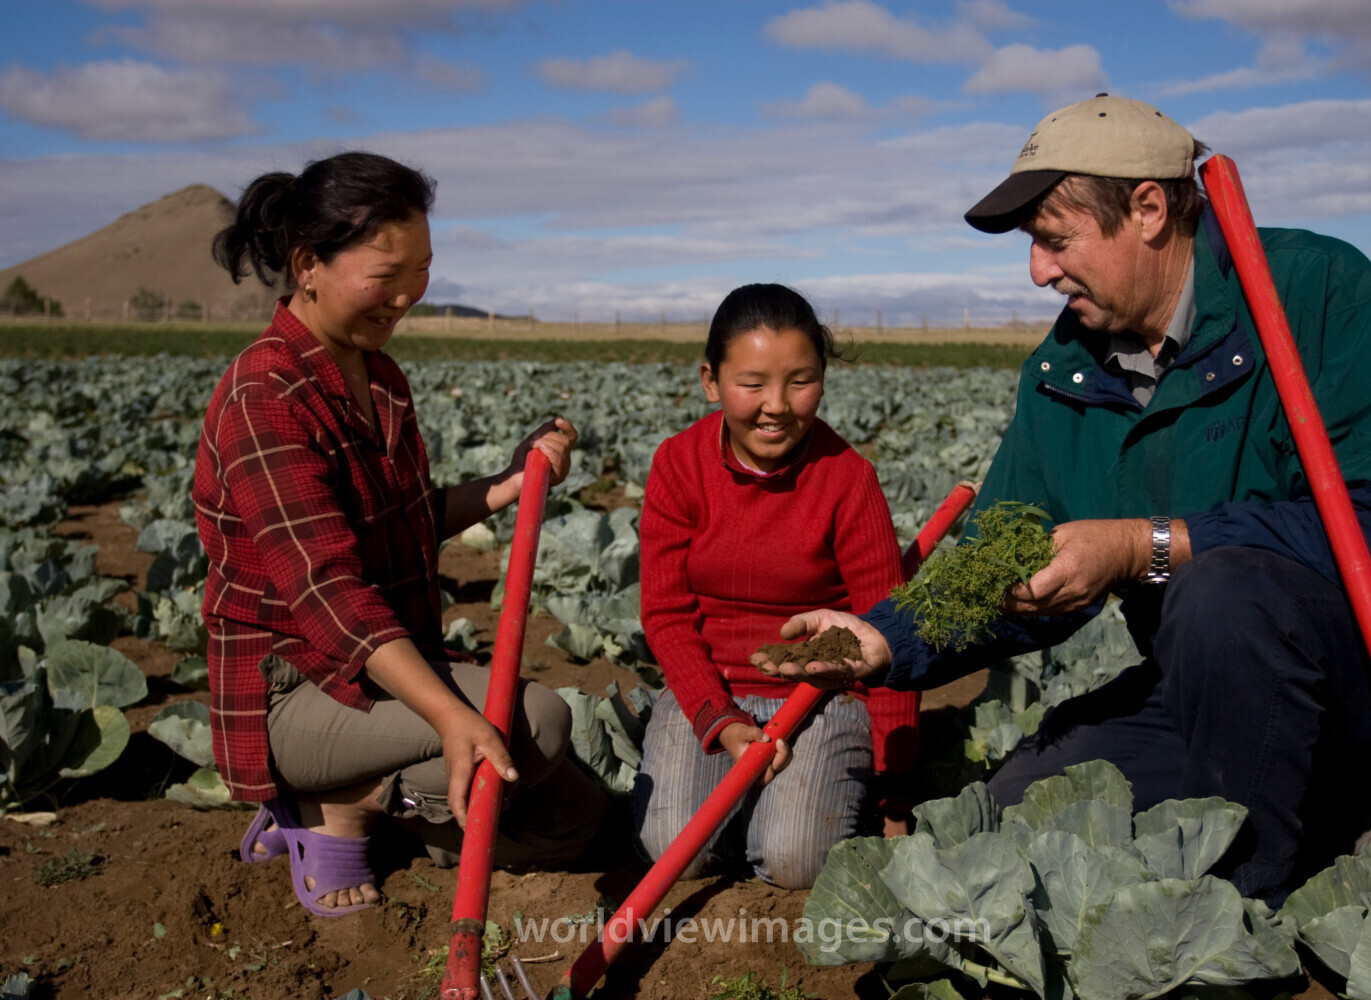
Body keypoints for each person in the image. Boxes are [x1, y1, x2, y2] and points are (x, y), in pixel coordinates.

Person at [756, 95, 1371, 905]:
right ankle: (1328, 815)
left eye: (1054, 239)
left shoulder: (1318, 293)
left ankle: (1245, 914)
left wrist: (1147, 546)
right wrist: (883, 640)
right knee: (1016, 816)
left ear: (1147, 209)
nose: (1037, 270)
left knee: (1220, 593)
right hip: (1208, 689)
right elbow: (1003, 564)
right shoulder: (1066, 367)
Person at [194, 151, 607, 917]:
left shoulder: (378, 374)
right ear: (309, 264)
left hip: (375, 671)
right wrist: (453, 716)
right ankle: (335, 804)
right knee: (533, 720)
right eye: (386, 275)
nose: (408, 295)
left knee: (575, 825)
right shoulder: (265, 395)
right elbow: (328, 588)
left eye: (421, 271)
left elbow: (404, 518)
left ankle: (380, 804)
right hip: (296, 687)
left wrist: (504, 487)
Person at [634, 283, 921, 889]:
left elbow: (889, 628)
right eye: (753, 383)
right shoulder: (678, 465)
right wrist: (723, 722)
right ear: (711, 381)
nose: (777, 405)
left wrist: (896, 797)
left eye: (800, 380)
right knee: (673, 854)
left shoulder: (848, 479)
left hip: (819, 696)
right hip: (710, 693)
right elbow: (665, 616)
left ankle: (785, 810)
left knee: (795, 863)